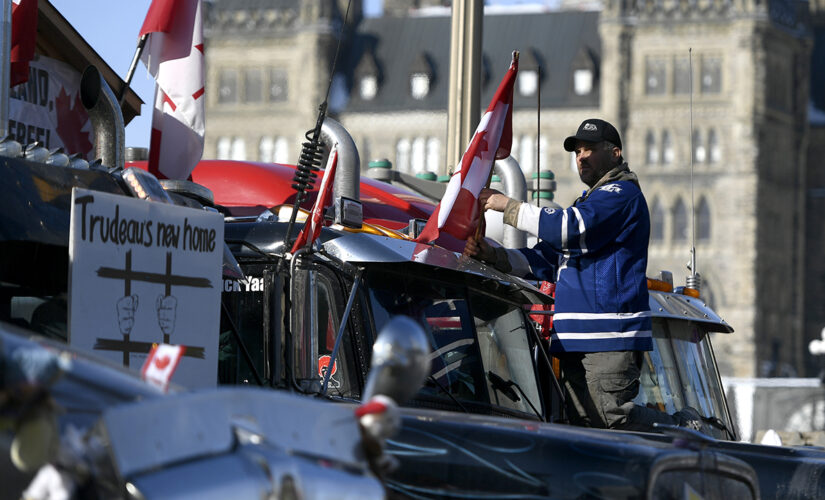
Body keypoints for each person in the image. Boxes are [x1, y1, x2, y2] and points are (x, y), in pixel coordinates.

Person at [465, 118, 704, 432]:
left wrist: (509, 206)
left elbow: (567, 228)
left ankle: (685, 432)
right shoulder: (593, 202)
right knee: (587, 429)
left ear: (615, 153)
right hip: (577, 338)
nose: (581, 157)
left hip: (606, 336)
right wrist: (493, 256)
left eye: (590, 149)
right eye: (578, 151)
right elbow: (546, 260)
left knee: (610, 421)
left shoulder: (620, 195)